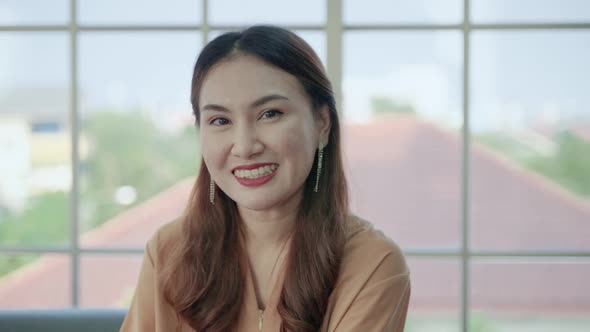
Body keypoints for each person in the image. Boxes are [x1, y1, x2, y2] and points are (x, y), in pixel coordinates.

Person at [120, 25, 410, 332]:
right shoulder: (169, 252)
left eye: (270, 114)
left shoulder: (373, 263)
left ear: (322, 123)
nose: (245, 146)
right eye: (220, 120)